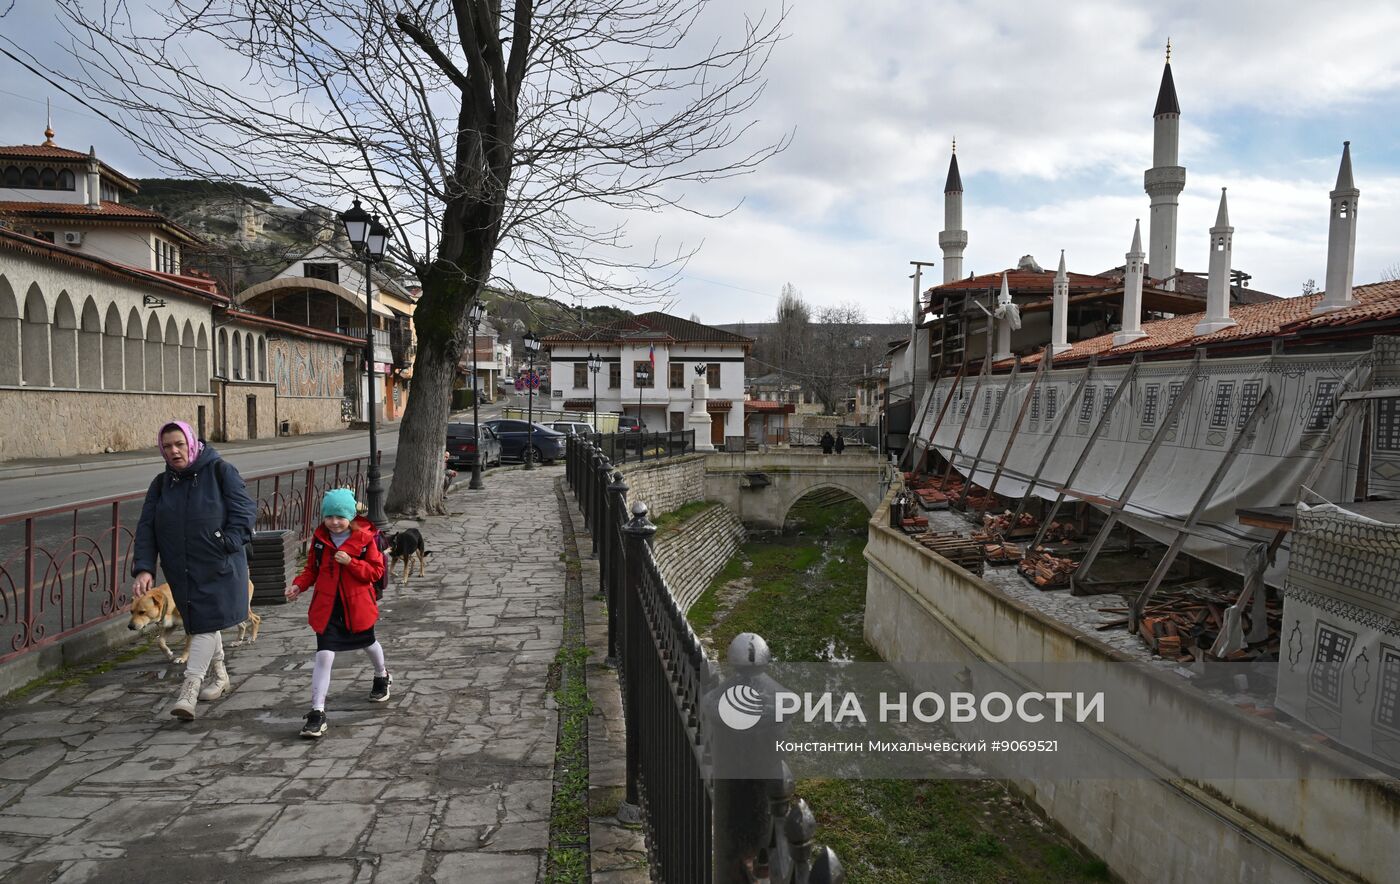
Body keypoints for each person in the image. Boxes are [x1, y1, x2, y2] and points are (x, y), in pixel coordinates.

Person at [131, 420, 257, 720]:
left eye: (179, 444)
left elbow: (245, 513)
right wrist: (144, 568)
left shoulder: (220, 471)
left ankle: (189, 688)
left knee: (204, 625)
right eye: (167, 446)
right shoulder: (161, 484)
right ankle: (221, 675)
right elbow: (147, 527)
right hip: (182, 570)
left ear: (191, 442)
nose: (174, 451)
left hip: (220, 567)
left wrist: (224, 543)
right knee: (203, 624)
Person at [286, 488, 391, 739]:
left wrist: (351, 563)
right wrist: (298, 585)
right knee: (324, 655)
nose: (334, 522)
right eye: (329, 516)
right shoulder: (320, 540)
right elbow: (312, 569)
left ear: (351, 516)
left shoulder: (365, 540)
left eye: (340, 516)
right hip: (328, 606)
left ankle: (382, 675)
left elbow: (375, 572)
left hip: (356, 607)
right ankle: (317, 712)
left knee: (369, 644)